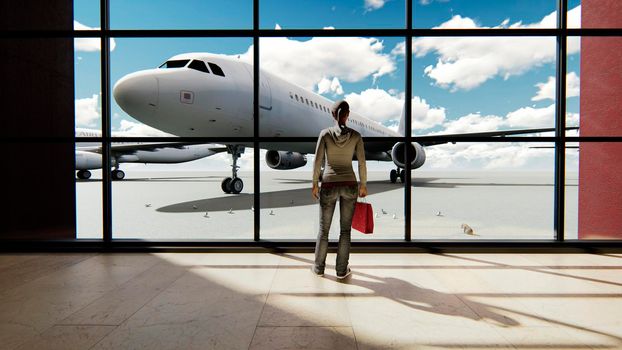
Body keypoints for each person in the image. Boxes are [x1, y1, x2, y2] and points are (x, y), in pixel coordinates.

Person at [311, 99, 367, 279]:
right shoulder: (356, 136)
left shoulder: (325, 134)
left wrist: (314, 184)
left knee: (324, 230)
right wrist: (363, 185)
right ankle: (342, 270)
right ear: (348, 115)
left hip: (328, 184)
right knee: (345, 231)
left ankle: (319, 269)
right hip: (350, 185)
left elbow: (318, 161)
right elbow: (362, 164)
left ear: (333, 115)